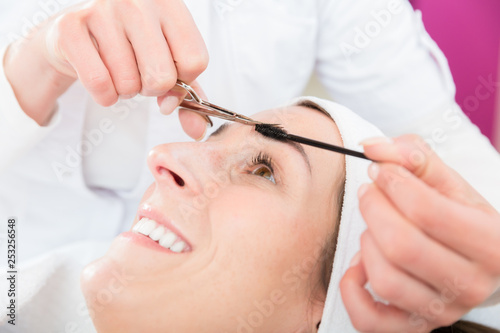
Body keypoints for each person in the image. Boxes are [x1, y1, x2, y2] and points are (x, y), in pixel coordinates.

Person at [1, 98, 499, 332]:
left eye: (263, 169)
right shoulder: (22, 291)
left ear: (325, 313)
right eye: (211, 135)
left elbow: (437, 123)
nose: (166, 155)